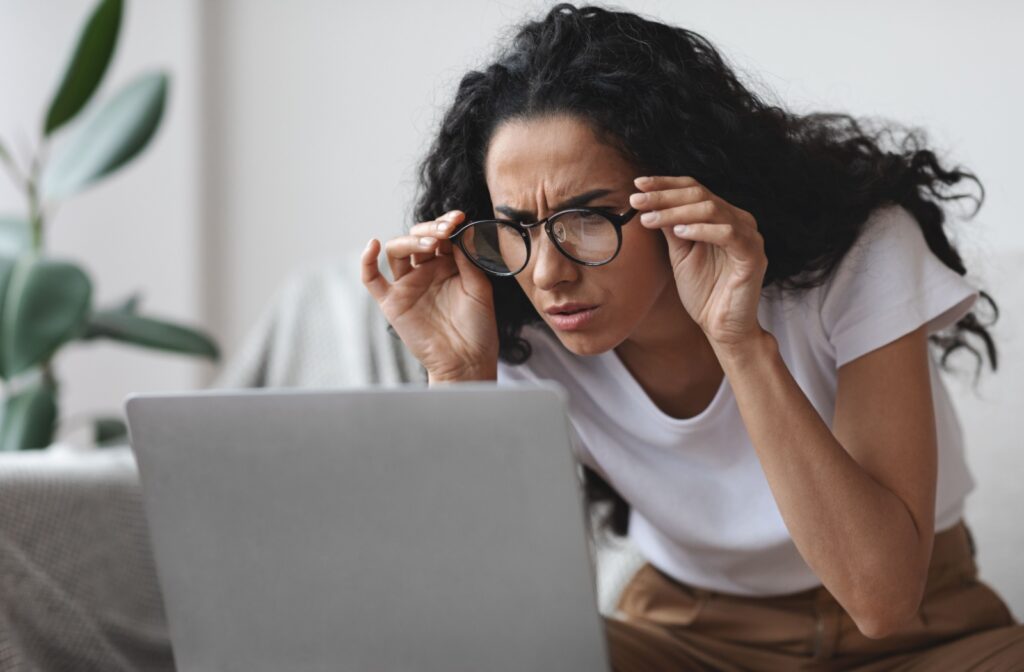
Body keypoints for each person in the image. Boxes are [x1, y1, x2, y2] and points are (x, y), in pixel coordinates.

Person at [360, 3, 1024, 669]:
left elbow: (882, 603)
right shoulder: (514, 323)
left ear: (682, 193)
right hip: (680, 635)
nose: (548, 271)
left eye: (586, 217)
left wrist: (740, 341)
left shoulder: (859, 254)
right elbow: (462, 622)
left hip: (927, 635)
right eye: (517, 226)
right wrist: (457, 379)